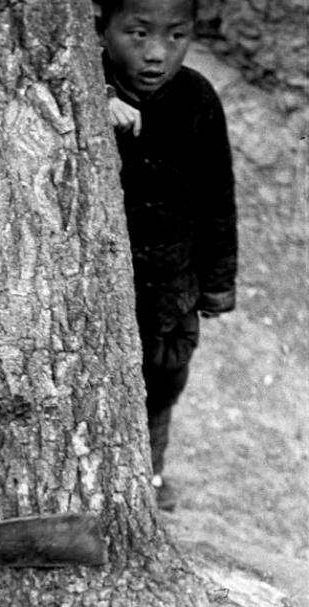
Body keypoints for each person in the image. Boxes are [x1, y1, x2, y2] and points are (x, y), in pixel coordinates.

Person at [96, 0, 237, 509]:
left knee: (163, 379)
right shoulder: (84, 88)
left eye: (175, 36)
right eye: (138, 34)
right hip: (108, 286)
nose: (156, 54)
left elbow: (217, 197)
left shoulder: (197, 98)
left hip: (172, 282)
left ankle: (149, 473)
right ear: (101, 27)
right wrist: (96, 100)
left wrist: (217, 284)